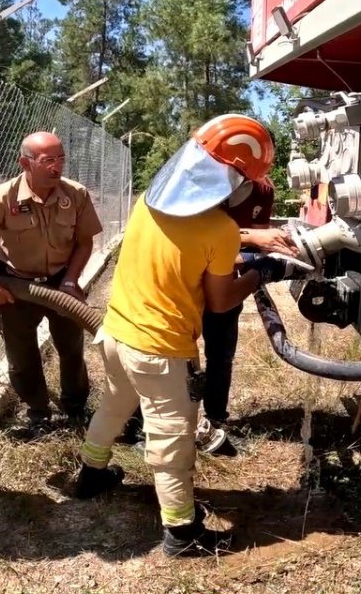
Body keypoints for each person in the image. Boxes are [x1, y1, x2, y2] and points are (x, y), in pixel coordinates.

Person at [67, 114, 300, 557]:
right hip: (160, 349)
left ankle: (91, 472)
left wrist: (251, 243)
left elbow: (188, 237)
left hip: (117, 333)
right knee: (172, 436)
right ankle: (181, 531)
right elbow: (222, 301)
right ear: (234, 179)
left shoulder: (146, 203)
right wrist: (263, 270)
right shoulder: (220, 230)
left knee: (115, 405)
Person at [119, 175, 299, 454]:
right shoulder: (194, 180)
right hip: (183, 284)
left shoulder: (261, 189)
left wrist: (260, 252)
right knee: (163, 356)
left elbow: (244, 250)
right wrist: (256, 261)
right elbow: (196, 233)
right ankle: (139, 424)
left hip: (221, 274)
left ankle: (214, 420)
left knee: (220, 355)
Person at [0, 131, 103, 436]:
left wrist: (71, 281)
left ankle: (75, 409)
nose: (56, 167)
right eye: (48, 161)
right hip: (13, 285)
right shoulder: (0, 198)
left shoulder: (76, 194)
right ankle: (38, 413)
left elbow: (85, 242)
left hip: (61, 285)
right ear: (26, 163)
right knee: (22, 357)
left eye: (61, 159)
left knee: (72, 350)